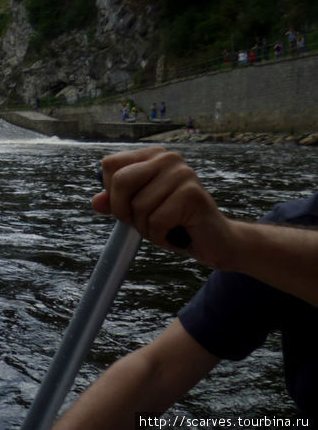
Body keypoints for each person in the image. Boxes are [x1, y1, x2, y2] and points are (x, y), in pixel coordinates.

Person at [54, 147, 318, 427]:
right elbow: (155, 372)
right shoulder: (289, 231)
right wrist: (235, 246)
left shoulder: (262, 246)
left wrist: (237, 245)